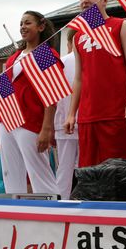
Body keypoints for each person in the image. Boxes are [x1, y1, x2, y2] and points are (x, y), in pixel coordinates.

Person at [63, 0, 126, 167]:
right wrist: (72, 113)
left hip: (117, 112)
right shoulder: (78, 36)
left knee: (120, 171)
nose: (84, 0)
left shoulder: (120, 26)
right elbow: (79, 78)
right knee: (90, 172)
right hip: (88, 116)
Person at [0, 11, 59, 195]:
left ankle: (54, 216)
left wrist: (47, 128)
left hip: (31, 120)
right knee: (10, 175)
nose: (23, 27)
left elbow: (52, 93)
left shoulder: (46, 54)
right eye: (21, 23)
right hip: (8, 120)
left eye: (28, 23)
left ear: (41, 26)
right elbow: (4, 90)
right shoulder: (13, 57)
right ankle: (15, 214)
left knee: (40, 174)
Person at [54, 30, 79, 199]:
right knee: (88, 167)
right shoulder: (90, 61)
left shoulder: (61, 63)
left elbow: (52, 97)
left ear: (69, 44)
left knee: (64, 170)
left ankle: (61, 204)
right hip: (85, 119)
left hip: (63, 122)